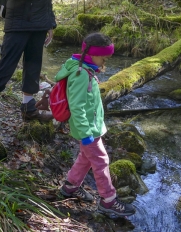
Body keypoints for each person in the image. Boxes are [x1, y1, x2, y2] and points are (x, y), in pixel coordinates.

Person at [55, 32, 136, 218]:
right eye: (103, 58)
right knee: (101, 160)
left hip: (92, 128)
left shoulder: (86, 69)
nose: (104, 63)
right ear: (92, 54)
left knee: (85, 159)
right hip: (87, 130)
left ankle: (70, 187)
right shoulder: (81, 74)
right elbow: (77, 106)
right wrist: (85, 132)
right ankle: (108, 200)